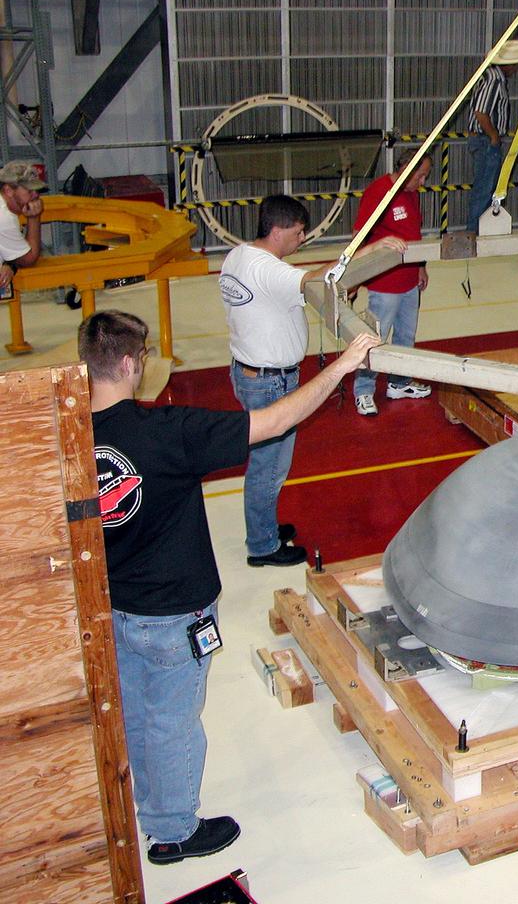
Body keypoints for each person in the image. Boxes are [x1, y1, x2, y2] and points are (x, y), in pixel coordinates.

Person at [80, 309, 380, 864]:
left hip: (113, 610)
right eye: (142, 358)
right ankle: (173, 831)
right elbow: (269, 422)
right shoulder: (166, 434)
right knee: (173, 722)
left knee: (138, 717)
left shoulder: (68, 437)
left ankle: (146, 807)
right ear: (127, 363)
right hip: (174, 617)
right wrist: (341, 368)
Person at [219, 195, 405, 566]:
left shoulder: (239, 256)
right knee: (268, 468)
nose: (302, 239)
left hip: (248, 372)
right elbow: (320, 280)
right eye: (298, 232)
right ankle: (262, 546)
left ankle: (264, 527)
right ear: (277, 231)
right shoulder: (269, 270)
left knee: (264, 463)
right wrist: (369, 249)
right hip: (270, 383)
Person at [352, 149, 434, 417]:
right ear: (406, 169)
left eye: (425, 177)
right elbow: (359, 236)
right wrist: (358, 273)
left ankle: (399, 383)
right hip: (385, 284)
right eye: (420, 176)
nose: (423, 182)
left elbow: (414, 232)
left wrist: (420, 265)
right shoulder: (379, 192)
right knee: (373, 338)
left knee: (405, 336)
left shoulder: (411, 193)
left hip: (410, 280)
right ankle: (363, 390)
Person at [466, 39, 518, 235]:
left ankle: (477, 232)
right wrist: (494, 135)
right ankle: (474, 234)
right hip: (485, 141)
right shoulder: (494, 79)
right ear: (510, 64)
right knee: (484, 191)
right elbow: (481, 112)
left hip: (483, 140)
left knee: (485, 190)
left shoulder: (490, 75)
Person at [0, 160, 45, 295]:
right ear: (8, 190)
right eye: (29, 191)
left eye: (37, 191)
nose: (35, 196)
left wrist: (10, 265)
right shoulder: (4, 217)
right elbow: (29, 259)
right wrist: (34, 217)